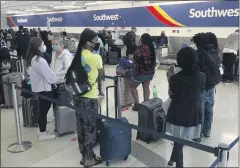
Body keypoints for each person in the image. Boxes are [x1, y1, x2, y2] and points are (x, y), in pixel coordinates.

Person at [65, 28, 104, 167]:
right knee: (90, 128)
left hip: (77, 97)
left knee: (81, 126)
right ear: (88, 42)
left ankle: (83, 155)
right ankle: (89, 159)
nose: (97, 43)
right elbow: (101, 76)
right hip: (90, 98)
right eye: (95, 41)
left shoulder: (77, 55)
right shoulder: (95, 57)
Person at [166, 47, 205, 168]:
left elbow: (173, 95)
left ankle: (179, 165)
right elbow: (201, 91)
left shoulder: (175, 78)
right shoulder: (201, 76)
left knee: (178, 141)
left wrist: (169, 78)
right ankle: (172, 159)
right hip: (193, 113)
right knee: (179, 141)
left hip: (177, 114)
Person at [26, 37, 57, 141]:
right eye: (42, 44)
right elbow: (50, 76)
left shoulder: (31, 58)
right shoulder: (40, 61)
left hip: (38, 88)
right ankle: (43, 134)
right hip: (45, 90)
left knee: (42, 111)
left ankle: (42, 131)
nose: (44, 46)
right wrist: (55, 78)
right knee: (43, 112)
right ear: (38, 46)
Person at [192, 33, 221, 142]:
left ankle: (198, 135)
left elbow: (194, 70)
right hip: (211, 85)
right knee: (209, 109)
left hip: (202, 86)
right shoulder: (214, 50)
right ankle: (207, 131)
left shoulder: (199, 53)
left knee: (200, 110)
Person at [130, 33, 156, 111]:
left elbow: (135, 57)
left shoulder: (141, 47)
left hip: (141, 72)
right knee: (146, 87)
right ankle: (146, 106)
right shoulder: (151, 47)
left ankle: (137, 105)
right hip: (150, 72)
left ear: (142, 39)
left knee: (133, 87)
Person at [51, 36, 73, 117]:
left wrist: (56, 74)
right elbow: (52, 66)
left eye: (56, 44)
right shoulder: (54, 54)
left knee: (63, 106)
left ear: (62, 45)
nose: (54, 46)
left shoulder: (66, 56)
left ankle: (64, 126)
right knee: (56, 105)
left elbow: (68, 70)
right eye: (52, 44)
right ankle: (58, 123)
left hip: (63, 84)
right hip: (54, 83)